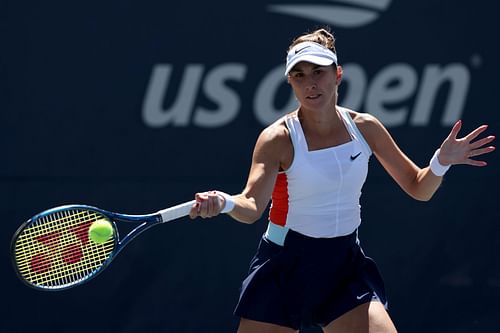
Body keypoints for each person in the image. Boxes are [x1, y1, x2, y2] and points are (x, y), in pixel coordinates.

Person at [188, 27, 496, 333]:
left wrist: (441, 161)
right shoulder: (277, 138)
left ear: (337, 74)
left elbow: (419, 187)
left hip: (343, 268)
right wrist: (225, 202)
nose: (310, 84)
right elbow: (252, 205)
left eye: (318, 72)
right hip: (283, 266)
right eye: (299, 75)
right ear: (290, 83)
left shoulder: (366, 128)